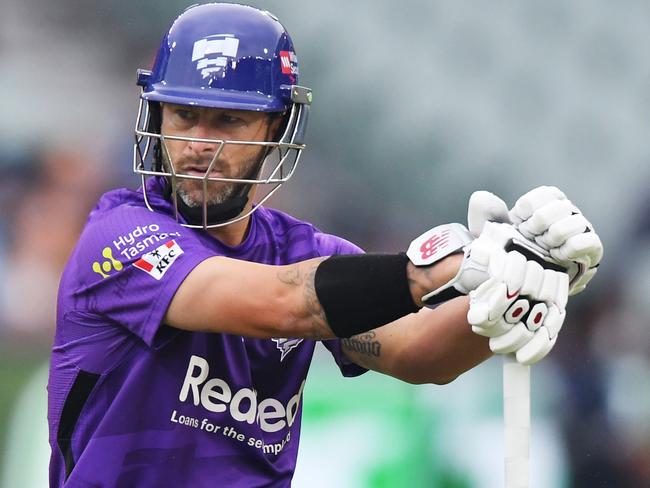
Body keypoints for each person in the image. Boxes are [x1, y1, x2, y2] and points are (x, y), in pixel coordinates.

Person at [47, 3, 603, 487]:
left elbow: (418, 352)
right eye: (184, 115)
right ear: (156, 114)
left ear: (274, 129)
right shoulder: (119, 236)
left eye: (229, 121)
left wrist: (519, 284)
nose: (198, 144)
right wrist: (444, 267)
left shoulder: (302, 249)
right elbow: (288, 303)